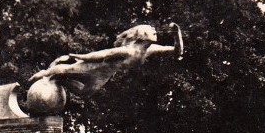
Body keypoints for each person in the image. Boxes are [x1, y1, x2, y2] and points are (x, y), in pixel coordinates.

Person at [28, 23, 184, 96]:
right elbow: (102, 54)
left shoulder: (151, 50)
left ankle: (60, 81)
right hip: (92, 67)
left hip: (103, 75)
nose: (155, 31)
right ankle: (38, 77)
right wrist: (81, 57)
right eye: (151, 31)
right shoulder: (127, 51)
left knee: (85, 93)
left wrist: (177, 35)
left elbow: (177, 52)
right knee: (60, 70)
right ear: (141, 35)